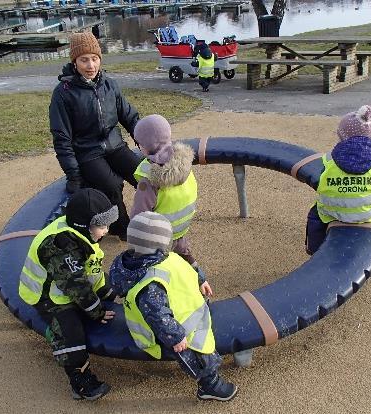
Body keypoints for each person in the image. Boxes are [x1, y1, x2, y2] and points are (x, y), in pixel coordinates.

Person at [109, 211, 237, 401]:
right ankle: (209, 385)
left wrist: (200, 279)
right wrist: (175, 337)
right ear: (159, 243)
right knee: (196, 355)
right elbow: (158, 316)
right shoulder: (150, 285)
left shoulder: (152, 257)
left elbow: (184, 267)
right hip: (164, 332)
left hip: (181, 310)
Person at [18, 188, 119, 401]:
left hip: (69, 285)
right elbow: (77, 286)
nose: (106, 231)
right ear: (84, 225)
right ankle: (79, 381)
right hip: (48, 297)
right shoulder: (60, 246)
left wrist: (106, 291)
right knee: (70, 330)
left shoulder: (80, 234)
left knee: (111, 288)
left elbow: (91, 268)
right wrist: (97, 312)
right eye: (102, 226)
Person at [49, 31, 142, 240]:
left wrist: (145, 141)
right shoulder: (63, 93)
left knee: (143, 175)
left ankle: (152, 218)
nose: (90, 65)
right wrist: (74, 174)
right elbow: (61, 138)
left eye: (94, 59)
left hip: (115, 145)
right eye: (84, 60)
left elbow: (129, 115)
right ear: (74, 62)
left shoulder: (109, 84)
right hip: (88, 152)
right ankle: (123, 229)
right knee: (112, 186)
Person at [305, 105, 371, 255]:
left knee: (315, 213)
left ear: (341, 135)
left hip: (334, 212)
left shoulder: (329, 158)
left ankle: (313, 247)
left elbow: (322, 178)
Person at [131, 114, 207, 280]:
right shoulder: (183, 164)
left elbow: (139, 217)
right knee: (182, 251)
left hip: (159, 235)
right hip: (181, 227)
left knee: (153, 264)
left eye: (139, 144)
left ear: (146, 147)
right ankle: (199, 278)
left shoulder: (149, 180)